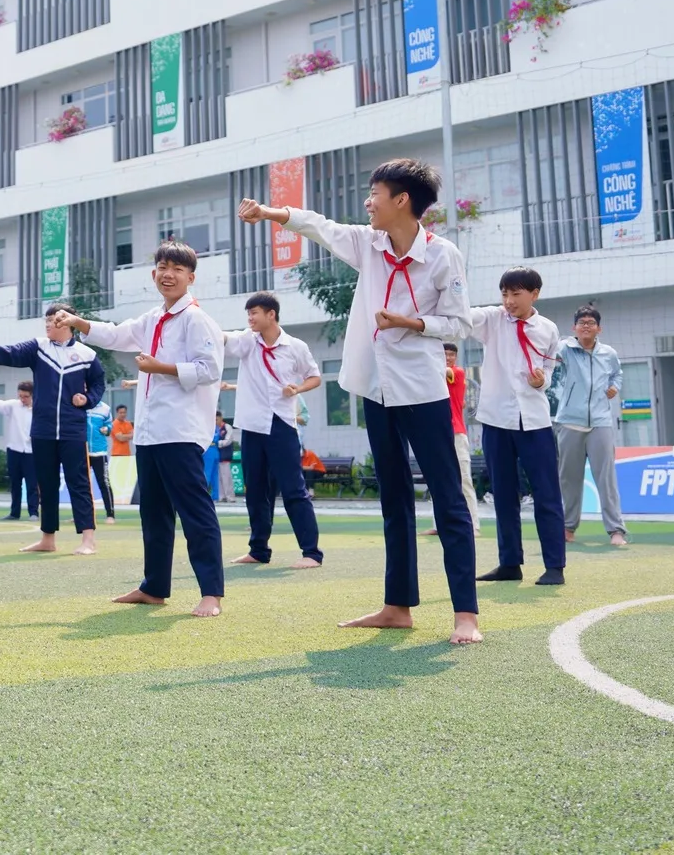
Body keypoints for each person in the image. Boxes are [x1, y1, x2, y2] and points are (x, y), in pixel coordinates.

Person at [239, 159, 482, 644]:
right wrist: (270, 212)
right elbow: (320, 226)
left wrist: (411, 323)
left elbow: (459, 324)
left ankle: (466, 615)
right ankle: (397, 607)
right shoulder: (367, 244)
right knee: (393, 500)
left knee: (449, 501)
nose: (367, 203)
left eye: (375, 193)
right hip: (376, 388)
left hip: (423, 391)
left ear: (403, 201)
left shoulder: (443, 256)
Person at [52, 241, 225, 617]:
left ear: (191, 278)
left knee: (196, 513)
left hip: (181, 431)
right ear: (153, 274)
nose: (168, 274)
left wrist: (161, 367)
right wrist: (78, 323)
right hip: (149, 433)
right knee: (154, 513)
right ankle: (154, 587)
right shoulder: (151, 319)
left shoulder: (197, 320)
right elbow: (115, 335)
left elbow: (210, 369)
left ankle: (211, 593)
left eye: (177, 269)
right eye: (162, 266)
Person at [421, 267, 564, 587]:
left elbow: (548, 371)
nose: (509, 300)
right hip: (497, 420)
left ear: (534, 294)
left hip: (535, 422)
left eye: (516, 294)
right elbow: (461, 318)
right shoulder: (492, 319)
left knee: (546, 494)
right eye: (505, 293)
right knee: (502, 494)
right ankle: (509, 562)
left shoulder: (549, 329)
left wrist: (542, 381)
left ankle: (555, 565)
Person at [0, 303, 106, 556]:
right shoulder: (39, 348)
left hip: (72, 430)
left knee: (79, 483)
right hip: (42, 430)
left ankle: (88, 539)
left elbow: (99, 383)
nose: (47, 324)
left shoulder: (87, 355)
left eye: (54, 320)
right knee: (46, 483)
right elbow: (12, 352)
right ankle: (48, 538)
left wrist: (87, 400)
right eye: (46, 320)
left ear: (69, 322)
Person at [221, 291, 325, 570]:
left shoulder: (296, 346)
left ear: (271, 314)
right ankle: (258, 550)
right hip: (252, 425)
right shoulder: (247, 341)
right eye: (248, 314)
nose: (250, 319)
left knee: (293, 489)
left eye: (254, 313)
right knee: (255, 490)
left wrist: (297, 388)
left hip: (282, 424)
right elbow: (224, 339)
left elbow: (314, 377)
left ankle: (311, 553)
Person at [552, 306, 627, 547]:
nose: (586, 325)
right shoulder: (565, 348)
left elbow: (617, 374)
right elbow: (549, 351)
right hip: (569, 421)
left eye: (591, 322)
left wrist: (615, 387)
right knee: (568, 478)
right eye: (581, 322)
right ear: (574, 328)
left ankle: (616, 530)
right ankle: (567, 527)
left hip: (600, 423)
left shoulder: (609, 353)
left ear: (599, 328)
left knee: (606, 478)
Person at [425, 343, 483, 541]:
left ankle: (474, 525)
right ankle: (438, 524)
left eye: (451, 354)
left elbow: (444, 370)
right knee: (436, 480)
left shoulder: (456, 372)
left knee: (464, 480)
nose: (448, 357)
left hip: (456, 434)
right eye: (444, 354)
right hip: (435, 434)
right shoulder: (433, 380)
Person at [0, 382, 38, 521]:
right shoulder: (13, 406)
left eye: (26, 397)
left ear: (33, 396)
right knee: (15, 483)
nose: (22, 399)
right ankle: (14, 512)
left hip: (32, 452)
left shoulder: (39, 409)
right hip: (14, 450)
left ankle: (33, 512)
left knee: (32, 483)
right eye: (20, 396)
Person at [84, 399, 116, 522]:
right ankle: (84, 515)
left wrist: (107, 429)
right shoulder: (81, 406)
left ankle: (110, 514)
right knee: (82, 485)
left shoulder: (105, 408)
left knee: (104, 483)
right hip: (82, 451)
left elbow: (110, 425)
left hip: (99, 451)